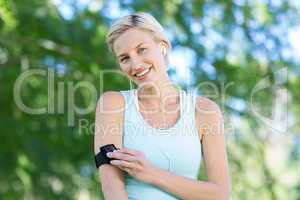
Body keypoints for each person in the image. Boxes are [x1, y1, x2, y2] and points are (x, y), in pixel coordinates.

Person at [94, 12, 230, 200]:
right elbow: (112, 189)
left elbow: (220, 195)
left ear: (163, 47)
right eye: (124, 58)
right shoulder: (112, 104)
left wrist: (152, 174)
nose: (136, 64)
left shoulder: (205, 111)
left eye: (141, 49)